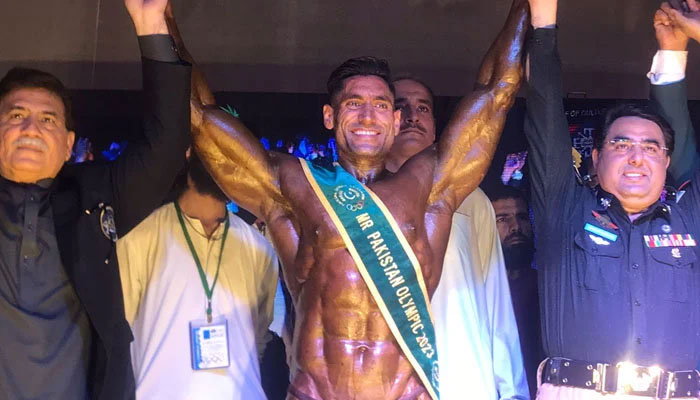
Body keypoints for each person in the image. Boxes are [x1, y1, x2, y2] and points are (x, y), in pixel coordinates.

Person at [168, 0, 529, 397]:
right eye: (354, 104)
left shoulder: (427, 189)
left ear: (395, 121)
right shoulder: (294, 187)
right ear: (329, 116)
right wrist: (160, 20)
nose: (368, 117)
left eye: (380, 105)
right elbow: (199, 117)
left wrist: (525, 8)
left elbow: (496, 92)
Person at [0, 0, 191, 398]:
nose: (31, 128)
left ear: (70, 144)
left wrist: (150, 23)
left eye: (48, 119)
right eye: (16, 116)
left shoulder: (95, 198)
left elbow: (167, 145)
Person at [525, 0, 700, 398]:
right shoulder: (564, 208)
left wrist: (691, 37)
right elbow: (544, 107)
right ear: (597, 158)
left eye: (651, 147)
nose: (637, 156)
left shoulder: (692, 216)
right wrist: (544, 18)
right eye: (621, 144)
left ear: (667, 161)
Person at [385, 77, 529, 400]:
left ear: (435, 127)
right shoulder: (361, 199)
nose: (412, 115)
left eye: (423, 108)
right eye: (400, 106)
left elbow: (496, 303)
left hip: (463, 381)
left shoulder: (471, 199)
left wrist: (513, 391)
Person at [117, 150, 278, 399]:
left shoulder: (258, 247)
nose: (225, 160)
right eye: (216, 148)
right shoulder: (140, 235)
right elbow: (118, 330)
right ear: (190, 153)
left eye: (234, 153)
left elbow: (259, 334)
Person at [487, 184, 542, 398]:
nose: (516, 227)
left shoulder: (546, 289)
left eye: (522, 217)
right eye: (502, 219)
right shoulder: (475, 291)